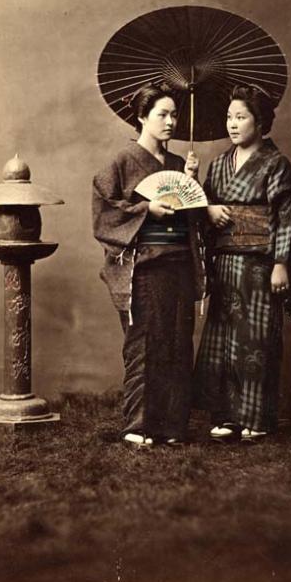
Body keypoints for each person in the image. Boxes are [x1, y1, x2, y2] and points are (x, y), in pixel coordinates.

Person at [193, 85, 291, 442]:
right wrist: (204, 203)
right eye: (229, 117)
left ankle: (257, 418)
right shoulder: (218, 165)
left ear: (259, 120)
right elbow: (198, 208)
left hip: (261, 264)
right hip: (225, 264)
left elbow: (288, 216)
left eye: (241, 117)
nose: (232, 124)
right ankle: (227, 416)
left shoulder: (276, 164)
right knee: (223, 339)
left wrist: (281, 262)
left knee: (257, 339)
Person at [93, 83, 205, 447]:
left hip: (179, 264)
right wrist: (147, 210)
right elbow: (105, 214)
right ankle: (137, 426)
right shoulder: (121, 163)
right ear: (142, 117)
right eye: (162, 114)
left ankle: (173, 427)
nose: (171, 121)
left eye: (175, 114)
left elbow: (191, 211)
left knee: (177, 343)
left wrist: (190, 183)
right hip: (144, 267)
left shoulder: (176, 165)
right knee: (144, 344)